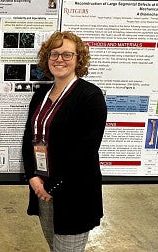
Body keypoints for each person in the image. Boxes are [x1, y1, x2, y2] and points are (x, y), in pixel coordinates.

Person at [22, 31, 107, 251]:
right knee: (54, 245)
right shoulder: (41, 94)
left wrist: (51, 186)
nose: (60, 59)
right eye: (54, 54)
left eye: (67, 54)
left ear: (79, 60)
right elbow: (28, 139)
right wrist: (32, 176)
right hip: (41, 186)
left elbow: (85, 152)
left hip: (73, 192)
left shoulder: (90, 96)